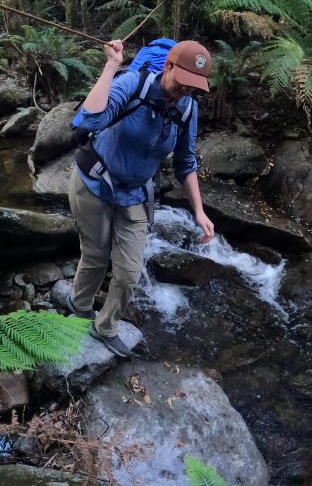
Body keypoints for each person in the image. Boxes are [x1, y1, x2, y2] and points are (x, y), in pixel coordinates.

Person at [67, 38, 215, 357]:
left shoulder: (188, 109)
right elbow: (88, 120)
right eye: (183, 81)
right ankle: (78, 307)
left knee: (130, 271)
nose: (186, 90)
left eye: (195, 86)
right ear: (168, 66)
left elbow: (185, 163)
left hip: (134, 194)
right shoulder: (133, 83)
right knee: (95, 255)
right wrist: (111, 66)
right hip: (94, 183)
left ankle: (104, 327)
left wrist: (199, 212)